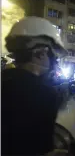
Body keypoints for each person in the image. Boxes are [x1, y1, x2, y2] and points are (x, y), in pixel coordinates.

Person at [2, 17, 68, 155]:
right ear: (40, 53)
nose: (54, 62)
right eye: (53, 56)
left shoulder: (4, 81)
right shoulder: (43, 94)